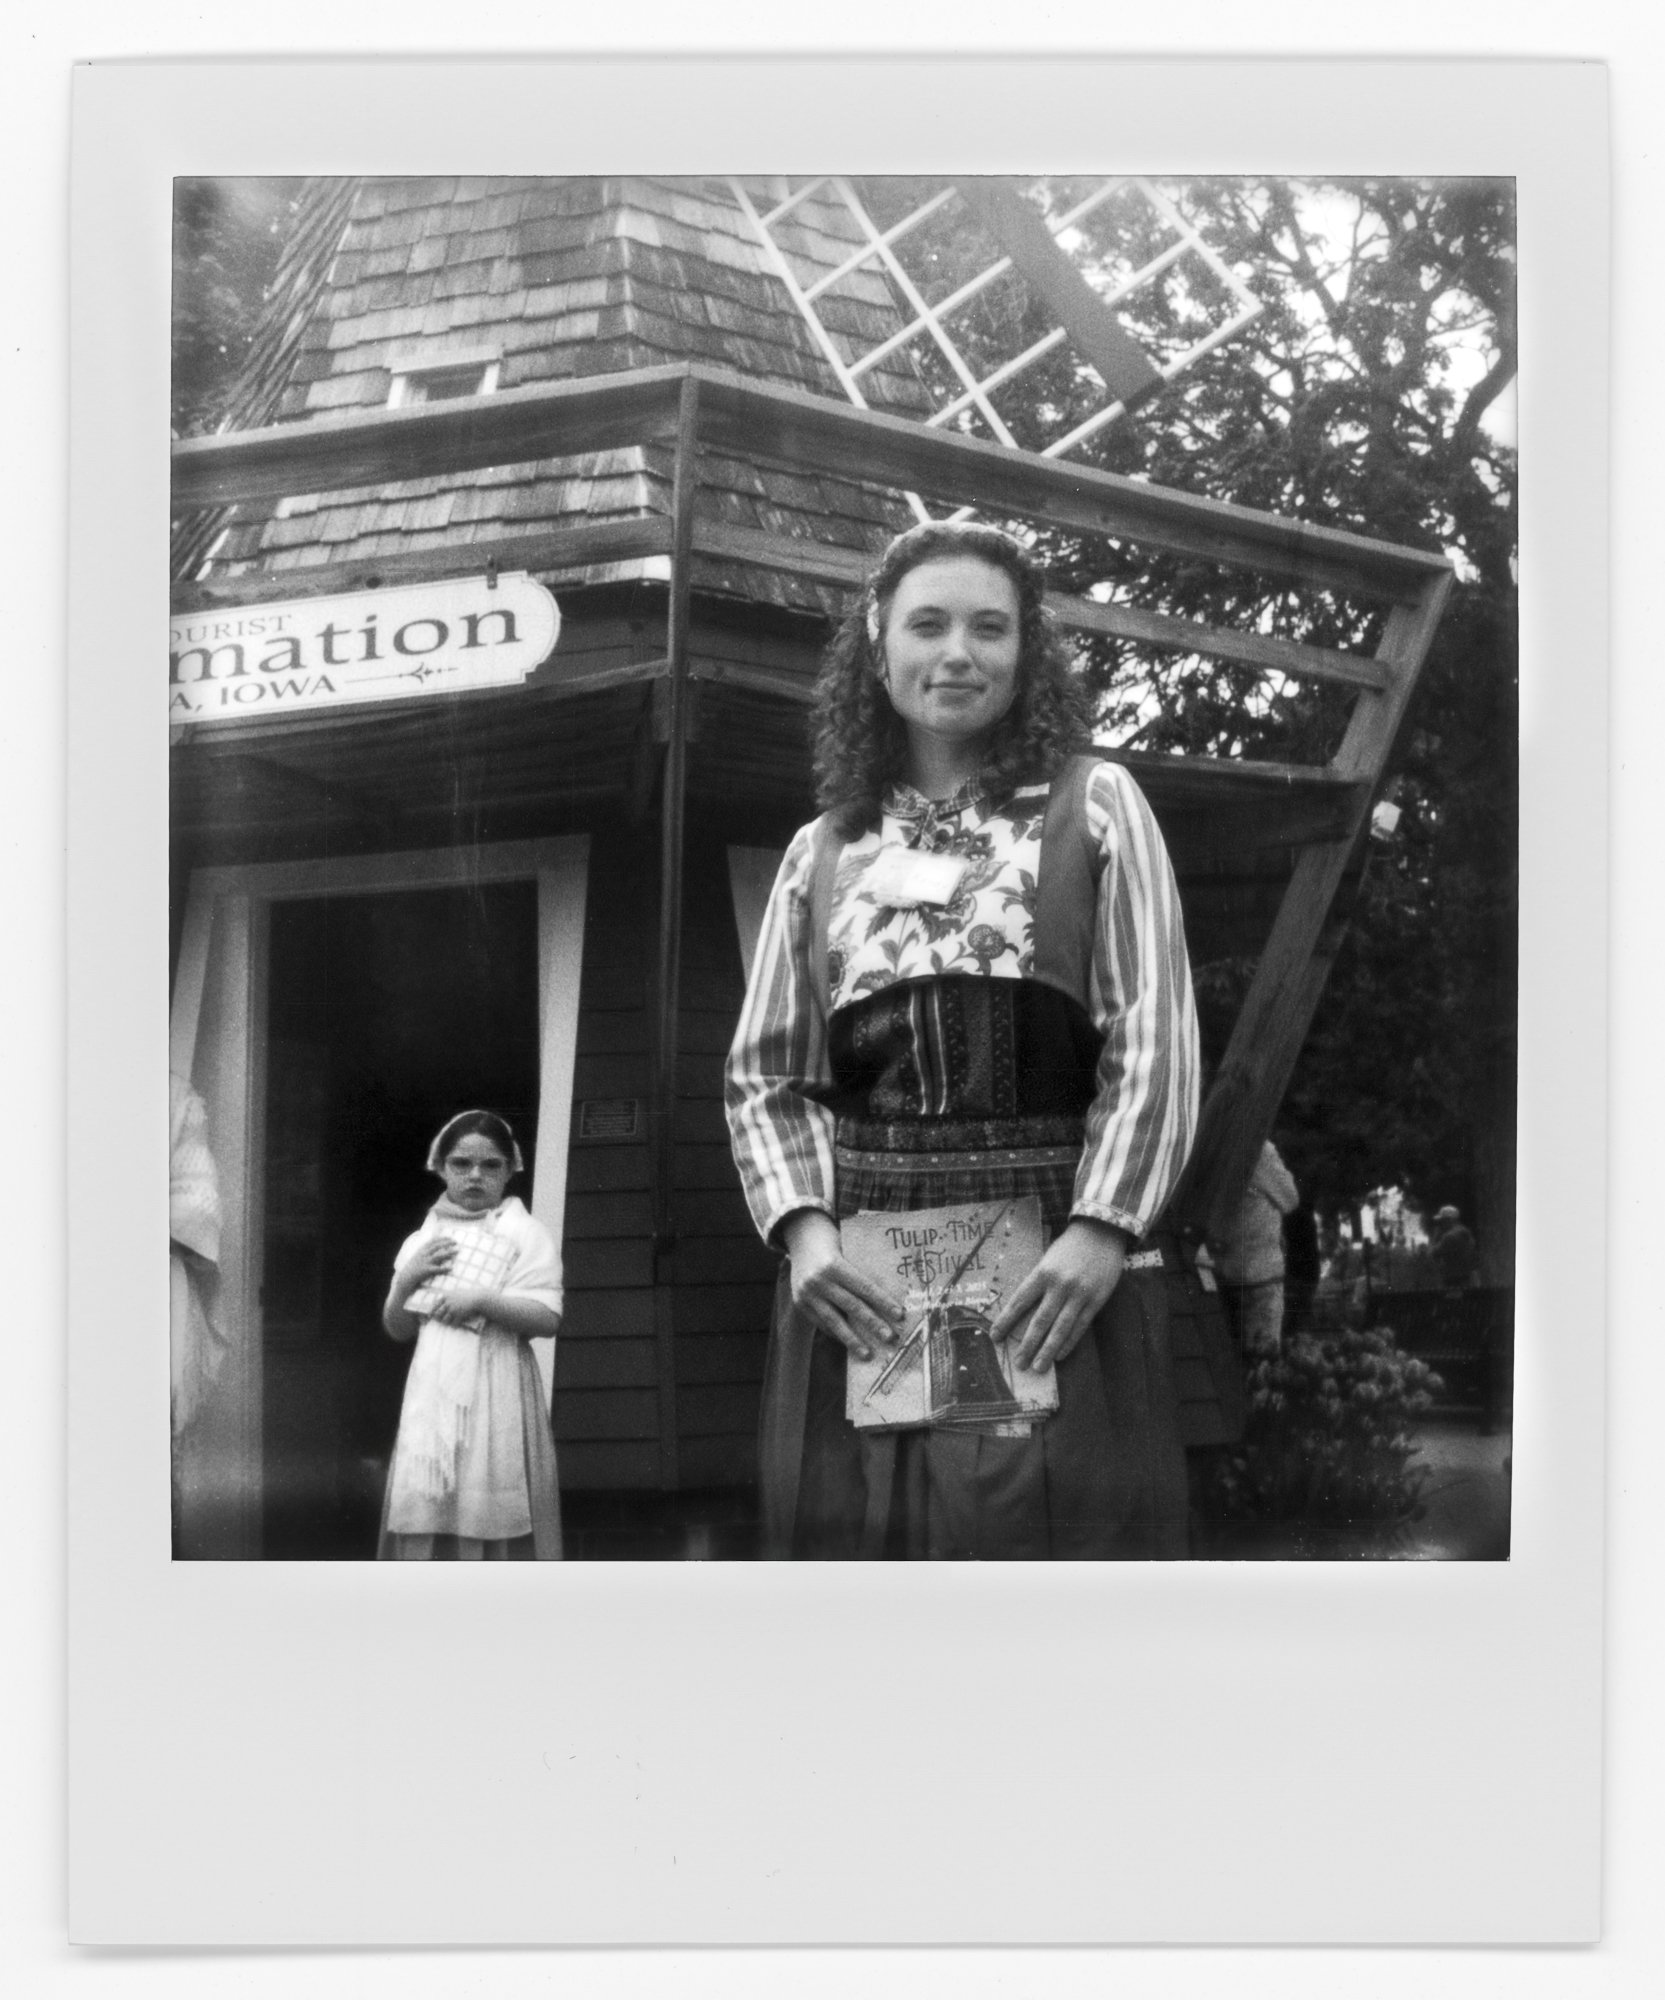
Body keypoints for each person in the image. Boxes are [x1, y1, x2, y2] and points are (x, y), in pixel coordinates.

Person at [725, 519, 1200, 1560]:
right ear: (877, 641)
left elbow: (1152, 1040)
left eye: (990, 628)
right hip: (865, 1285)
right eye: (927, 623)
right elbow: (768, 1075)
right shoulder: (824, 851)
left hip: (1047, 1273)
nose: (957, 653)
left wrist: (1102, 1231)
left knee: (1040, 1563)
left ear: (1025, 652)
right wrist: (807, 1237)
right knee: (862, 1565)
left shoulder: (1095, 805)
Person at [378, 1110, 564, 1560]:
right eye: (461, 1164)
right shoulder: (423, 1239)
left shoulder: (524, 1233)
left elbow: (547, 1318)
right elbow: (398, 1328)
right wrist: (406, 1281)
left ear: (509, 1170)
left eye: (490, 1165)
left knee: (490, 1492)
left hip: (498, 1384)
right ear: (440, 1168)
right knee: (430, 1500)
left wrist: (482, 1301)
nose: (475, 1175)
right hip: (434, 1386)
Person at [1212, 1139, 1299, 1356]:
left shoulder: (1215, 1144)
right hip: (1261, 1273)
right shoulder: (1259, 1149)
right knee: (1263, 1362)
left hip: (1224, 1271)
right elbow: (1290, 1198)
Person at [1429, 1203, 1479, 1293]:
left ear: (1449, 1220)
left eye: (1441, 1221)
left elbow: (1433, 1253)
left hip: (1454, 1280)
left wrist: (1435, 1236)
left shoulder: (1449, 1237)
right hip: (1469, 1277)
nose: (1440, 1225)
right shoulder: (1466, 1232)